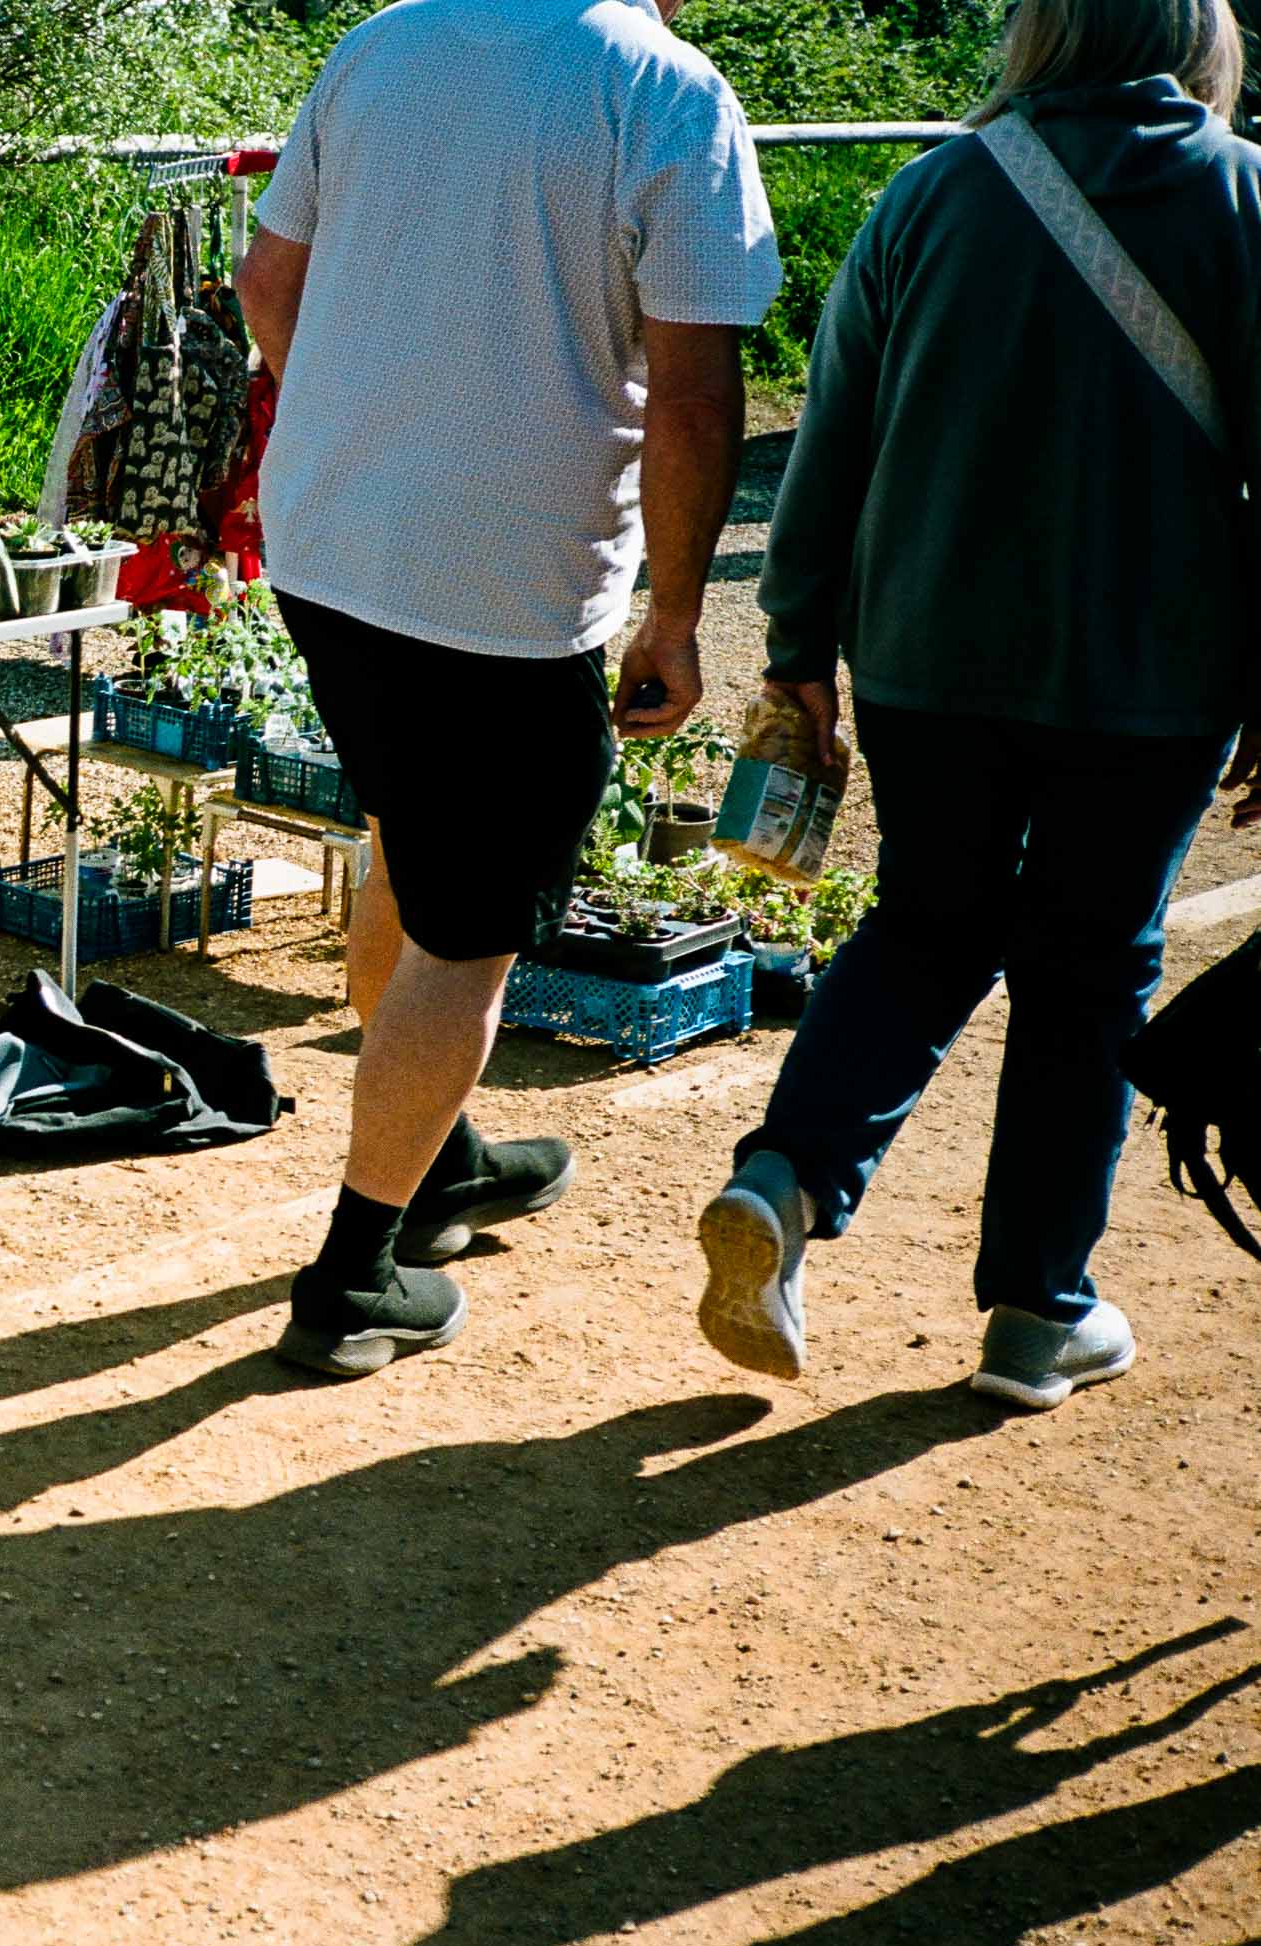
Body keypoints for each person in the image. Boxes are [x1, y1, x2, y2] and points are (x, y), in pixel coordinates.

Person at [696, 0, 1261, 1410]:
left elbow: (828, 445)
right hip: (1150, 671)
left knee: (926, 920)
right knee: (1089, 966)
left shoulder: (933, 191)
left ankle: (785, 1177)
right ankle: (1033, 1314)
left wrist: (793, 651)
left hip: (922, 655)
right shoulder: (1243, 196)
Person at [234, 0, 781, 1376]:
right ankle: (357, 1270)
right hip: (501, 581)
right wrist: (671, 609)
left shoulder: (382, 42)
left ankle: (446, 1159)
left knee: (407, 832)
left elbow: (263, 283)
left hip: (327, 537)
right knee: (471, 928)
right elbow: (695, 394)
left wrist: (363, 426)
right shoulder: (663, 88)